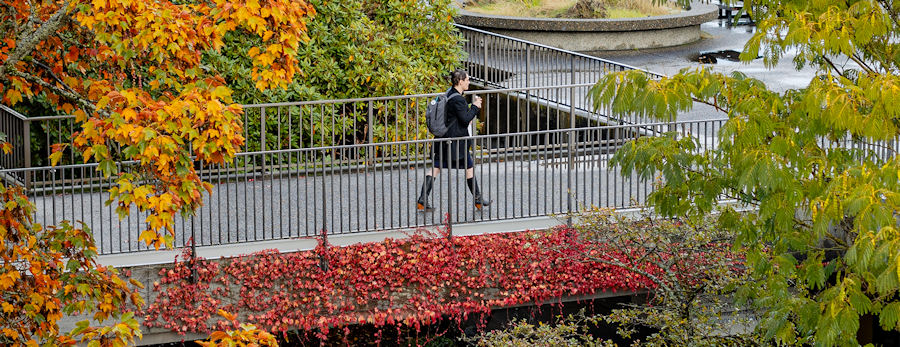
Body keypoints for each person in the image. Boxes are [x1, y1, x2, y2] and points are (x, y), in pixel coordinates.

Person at [416, 69, 492, 211]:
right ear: (460, 81)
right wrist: (475, 107)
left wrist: (469, 109)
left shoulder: (449, 93)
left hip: (444, 140)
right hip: (455, 143)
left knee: (436, 167)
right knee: (468, 167)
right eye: (467, 80)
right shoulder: (458, 99)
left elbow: (457, 116)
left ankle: (422, 199)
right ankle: (478, 199)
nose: (469, 82)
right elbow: (465, 119)